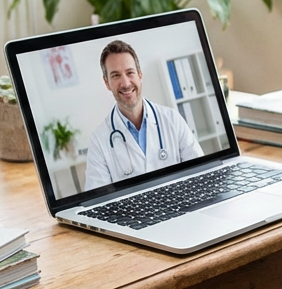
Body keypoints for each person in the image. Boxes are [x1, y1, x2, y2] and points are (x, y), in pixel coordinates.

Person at [83, 39, 203, 191]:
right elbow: (98, 200)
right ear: (107, 83)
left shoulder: (172, 119)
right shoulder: (99, 140)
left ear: (140, 75)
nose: (125, 83)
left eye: (130, 73)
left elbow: (201, 174)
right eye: (115, 76)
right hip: (130, 213)